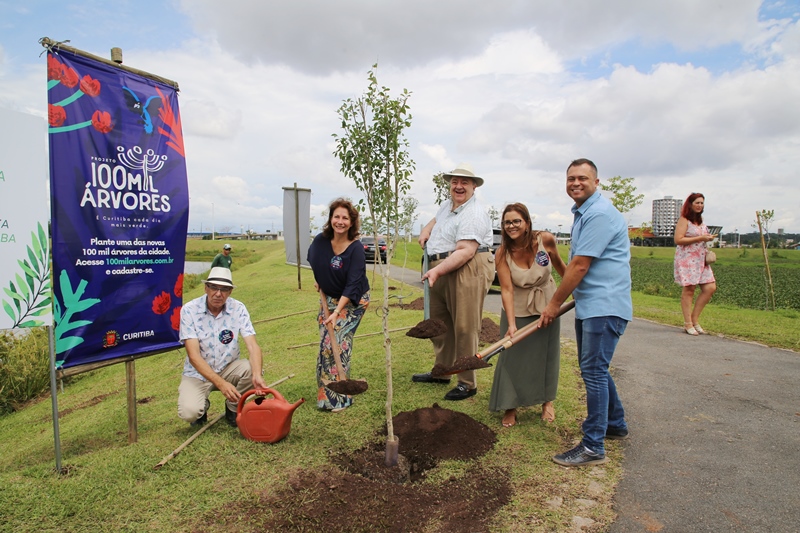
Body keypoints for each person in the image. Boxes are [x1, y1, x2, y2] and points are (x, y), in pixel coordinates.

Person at [539, 158, 632, 467]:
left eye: (582, 178)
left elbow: (580, 266)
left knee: (593, 372)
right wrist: (553, 255)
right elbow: (574, 268)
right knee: (595, 368)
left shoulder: (599, 214)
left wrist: (553, 305)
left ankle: (593, 446)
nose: (575, 183)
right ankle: (614, 424)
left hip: (604, 307)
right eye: (570, 179)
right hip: (592, 305)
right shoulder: (584, 213)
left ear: (596, 182)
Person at [412, 163, 494, 401]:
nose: (458, 186)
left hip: (467, 266)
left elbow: (466, 251)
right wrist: (427, 229)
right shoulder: (448, 205)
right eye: (455, 182)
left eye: (465, 182)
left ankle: (467, 383)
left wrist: (437, 273)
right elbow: (436, 219)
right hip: (443, 266)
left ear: (474, 186)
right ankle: (443, 371)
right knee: (439, 323)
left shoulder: (474, 213)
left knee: (464, 326)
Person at [490, 203, 566, 427]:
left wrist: (573, 293)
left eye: (516, 221)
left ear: (527, 222)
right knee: (512, 357)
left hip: (548, 305)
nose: (511, 226)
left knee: (546, 355)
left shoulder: (546, 240)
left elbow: (563, 269)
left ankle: (547, 402)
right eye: (507, 222)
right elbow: (506, 289)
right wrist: (511, 324)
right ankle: (510, 406)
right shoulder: (502, 252)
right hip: (518, 307)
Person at [178, 266, 268, 427]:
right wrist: (221, 383)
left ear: (230, 291)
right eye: (214, 287)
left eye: (224, 289)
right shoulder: (189, 310)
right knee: (189, 413)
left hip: (228, 367)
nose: (218, 293)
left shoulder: (238, 308)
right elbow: (194, 356)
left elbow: (253, 346)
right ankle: (202, 407)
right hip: (197, 373)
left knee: (251, 368)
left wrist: (257, 375)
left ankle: (233, 408)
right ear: (206, 288)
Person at [307, 198, 370, 412]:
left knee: (337, 342)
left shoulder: (356, 249)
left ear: (351, 222)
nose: (340, 221)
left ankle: (341, 398)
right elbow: (315, 261)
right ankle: (326, 396)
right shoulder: (320, 241)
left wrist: (337, 312)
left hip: (354, 300)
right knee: (325, 342)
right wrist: (320, 279)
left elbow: (353, 284)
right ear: (331, 219)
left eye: (345, 218)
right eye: (337, 217)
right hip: (330, 298)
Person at [673, 193, 716, 336]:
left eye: (702, 203)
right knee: (689, 289)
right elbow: (678, 239)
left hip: (701, 259)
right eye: (697, 202)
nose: (700, 205)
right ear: (690, 204)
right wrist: (700, 238)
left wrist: (707, 238)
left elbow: (701, 237)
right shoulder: (684, 220)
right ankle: (688, 323)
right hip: (688, 259)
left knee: (710, 287)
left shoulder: (700, 220)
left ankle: (694, 319)